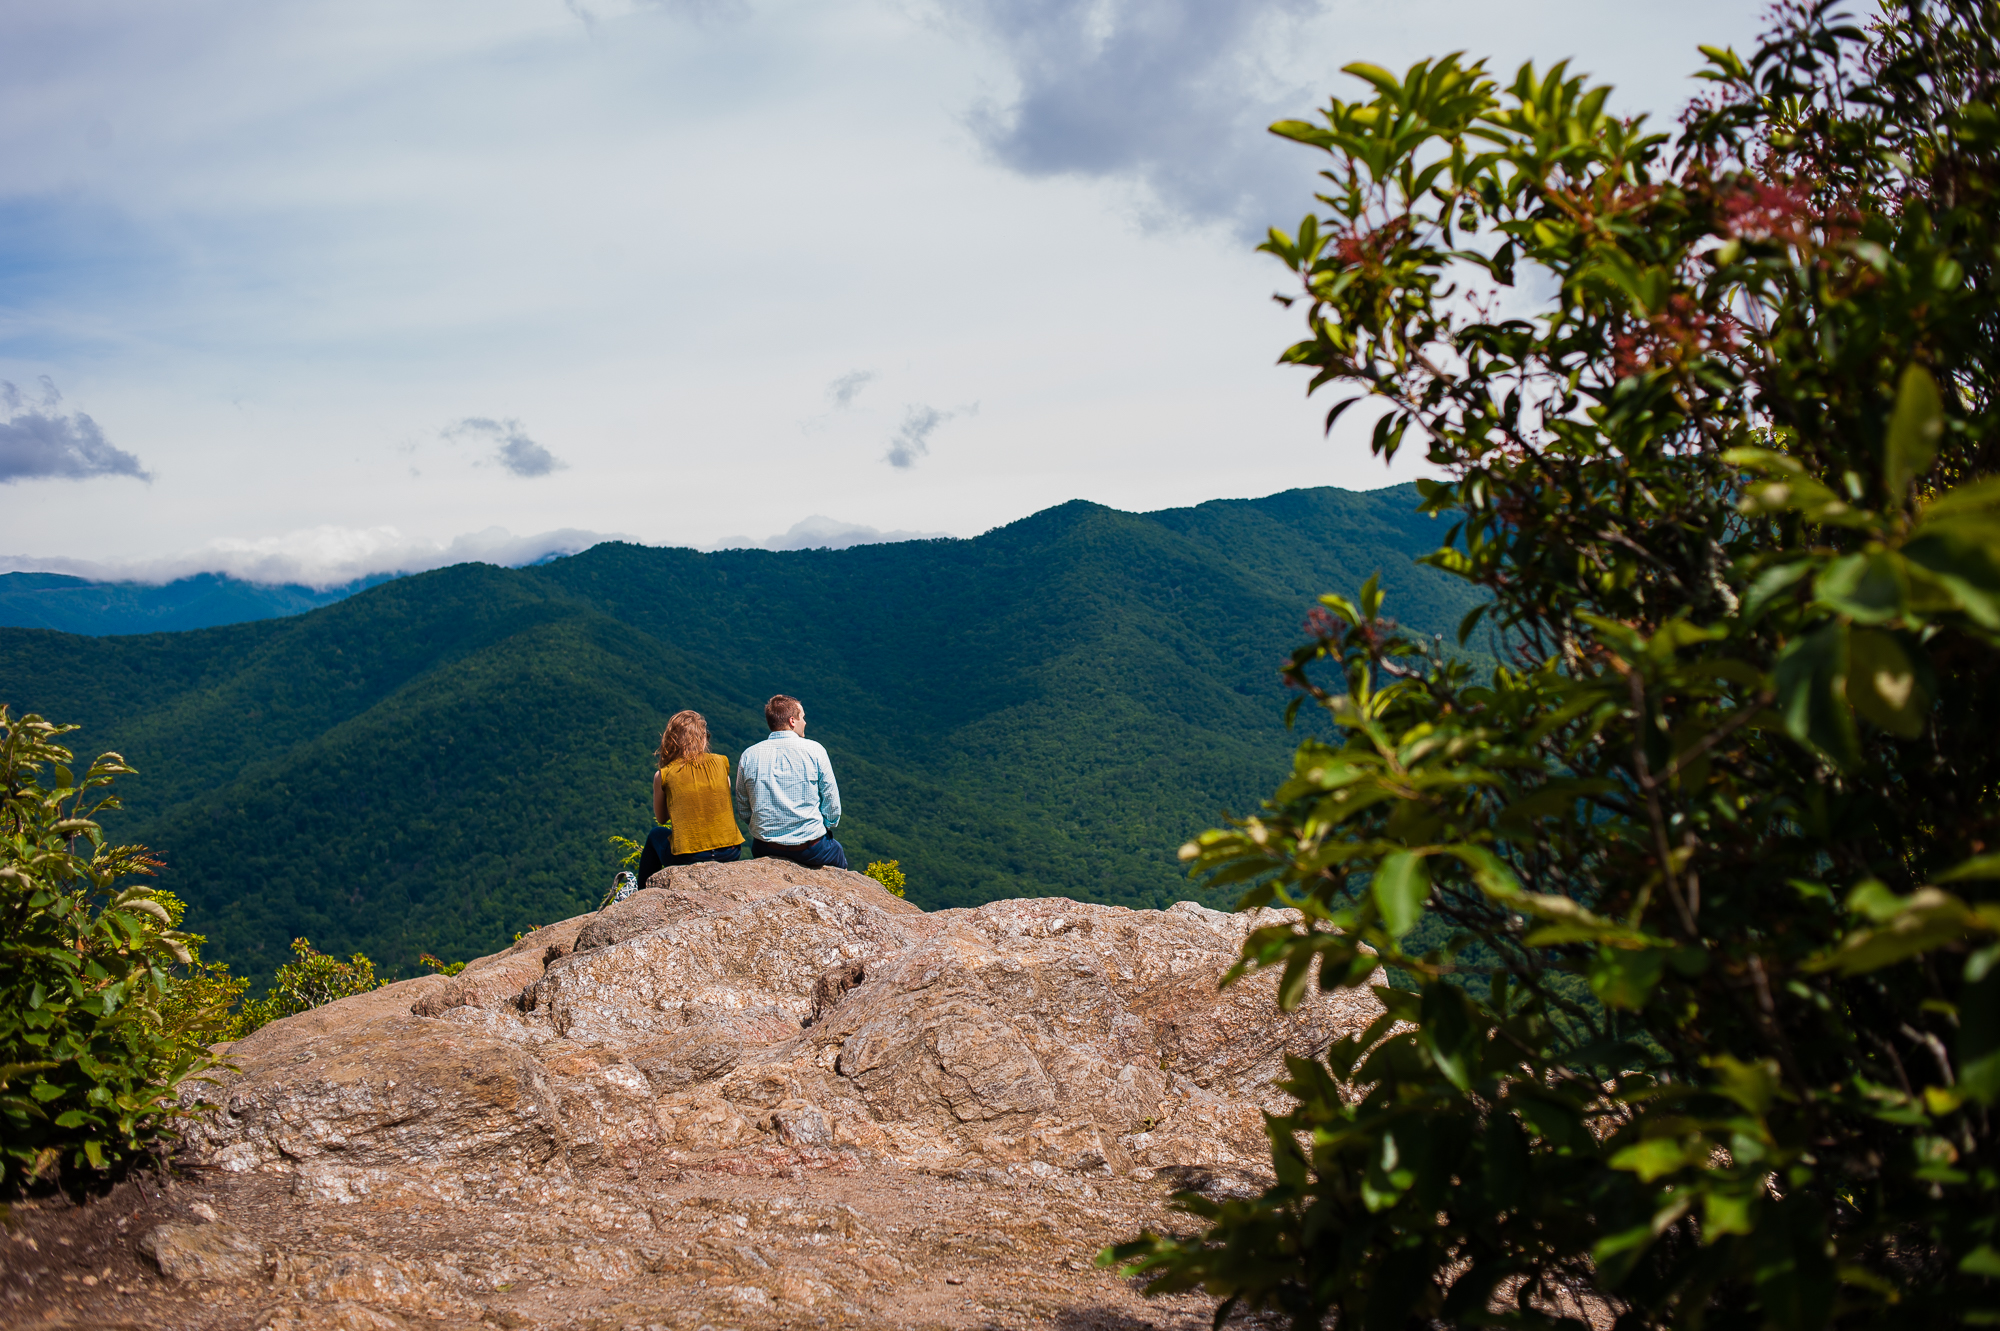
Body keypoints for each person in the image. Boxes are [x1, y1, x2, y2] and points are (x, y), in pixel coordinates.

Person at [734, 694, 848, 870]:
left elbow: (743, 807)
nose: (805, 722)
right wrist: (825, 826)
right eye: (803, 717)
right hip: (811, 848)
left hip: (764, 847)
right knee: (838, 855)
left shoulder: (749, 755)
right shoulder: (815, 750)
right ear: (792, 721)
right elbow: (831, 800)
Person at [633, 710, 745, 888]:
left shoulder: (664, 775)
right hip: (730, 852)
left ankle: (642, 894)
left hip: (690, 857)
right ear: (701, 739)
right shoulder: (721, 762)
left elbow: (662, 819)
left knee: (655, 834)